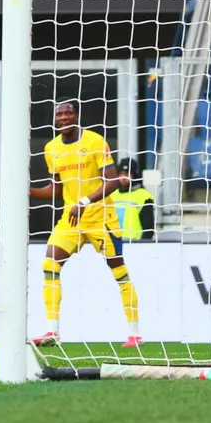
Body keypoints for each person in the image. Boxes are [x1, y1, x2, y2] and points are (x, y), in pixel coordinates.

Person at [28, 101, 141, 348]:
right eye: (59, 114)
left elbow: (113, 182)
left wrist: (84, 201)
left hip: (101, 217)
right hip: (71, 219)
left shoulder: (95, 141)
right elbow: (57, 189)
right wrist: (29, 192)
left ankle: (134, 333)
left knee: (118, 271)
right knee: (50, 264)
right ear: (55, 119)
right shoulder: (51, 148)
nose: (64, 117)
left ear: (76, 116)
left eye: (68, 112)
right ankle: (52, 331)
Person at [112, 157, 154, 242]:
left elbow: (148, 228)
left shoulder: (144, 196)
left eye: (127, 174)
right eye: (121, 174)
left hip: (134, 245)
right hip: (112, 244)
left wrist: (142, 246)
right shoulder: (111, 194)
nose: (123, 178)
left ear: (134, 175)